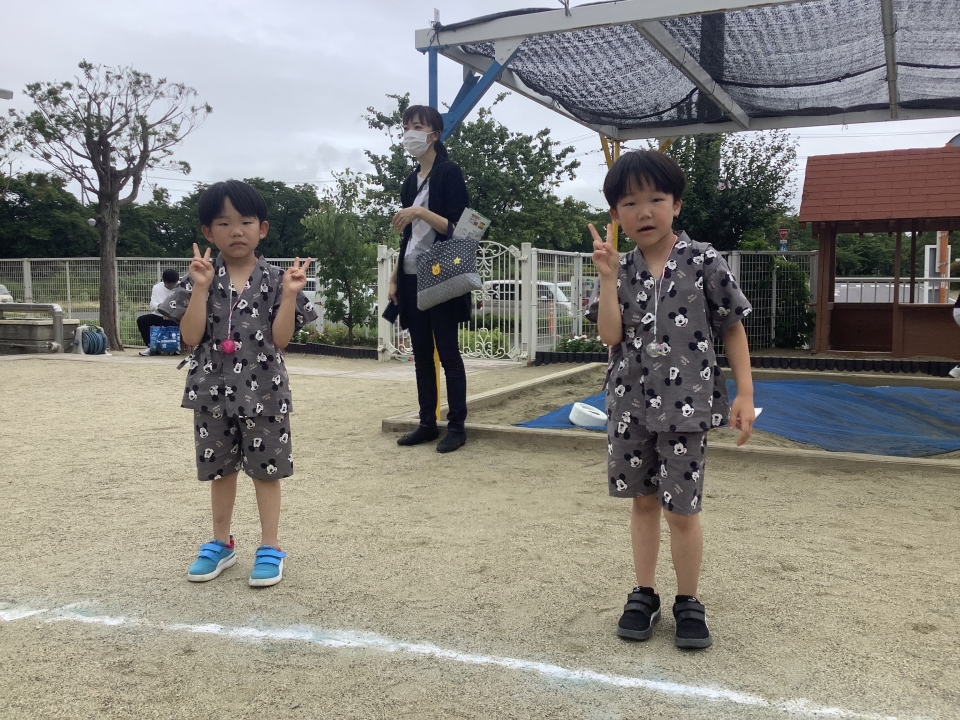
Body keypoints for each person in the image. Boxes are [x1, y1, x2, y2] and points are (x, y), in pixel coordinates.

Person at [588, 150, 756, 649]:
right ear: (615, 213)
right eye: (629, 203)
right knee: (642, 503)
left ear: (676, 204)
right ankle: (644, 593)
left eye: (656, 199)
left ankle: (688, 600)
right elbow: (609, 336)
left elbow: (732, 326)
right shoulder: (619, 267)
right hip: (629, 404)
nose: (644, 212)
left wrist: (745, 394)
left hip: (688, 404)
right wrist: (607, 278)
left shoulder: (704, 260)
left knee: (681, 510)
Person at [158, 180, 317, 587]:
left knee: (267, 471)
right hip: (210, 390)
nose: (236, 231)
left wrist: (289, 295)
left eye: (245, 221)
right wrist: (200, 288)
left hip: (265, 391)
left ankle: (270, 546)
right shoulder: (200, 278)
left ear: (262, 228)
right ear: (208, 232)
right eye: (223, 223)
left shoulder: (279, 279)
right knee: (219, 470)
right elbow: (190, 336)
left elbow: (281, 340)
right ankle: (220, 543)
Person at [386, 104, 471, 453]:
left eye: (417, 126)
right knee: (421, 354)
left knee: (448, 352)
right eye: (406, 126)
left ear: (435, 134)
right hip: (409, 274)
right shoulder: (410, 181)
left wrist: (420, 211)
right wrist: (394, 276)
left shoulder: (449, 173)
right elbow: (408, 238)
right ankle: (427, 423)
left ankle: (457, 426)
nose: (410, 133)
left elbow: (460, 228)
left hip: (440, 273)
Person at [137, 269, 181, 355]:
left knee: (178, 322)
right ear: (163, 280)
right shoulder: (157, 287)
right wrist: (162, 308)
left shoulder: (182, 287)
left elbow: (183, 304)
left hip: (176, 316)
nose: (171, 286)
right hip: (159, 315)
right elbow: (153, 304)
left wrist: (170, 313)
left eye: (173, 284)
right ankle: (151, 347)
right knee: (142, 320)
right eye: (168, 284)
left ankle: (174, 347)